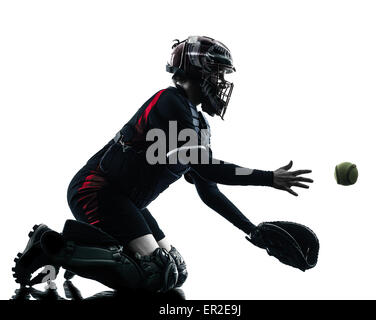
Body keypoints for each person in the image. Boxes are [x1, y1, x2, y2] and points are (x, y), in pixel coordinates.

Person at [13, 36, 317, 293]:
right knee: (155, 272)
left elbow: (208, 189)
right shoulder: (171, 102)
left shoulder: (199, 124)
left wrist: (251, 230)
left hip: (124, 199)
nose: (222, 82)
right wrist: (268, 178)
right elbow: (209, 167)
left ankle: (72, 249)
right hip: (96, 190)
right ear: (199, 70)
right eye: (219, 73)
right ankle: (52, 245)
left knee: (175, 273)